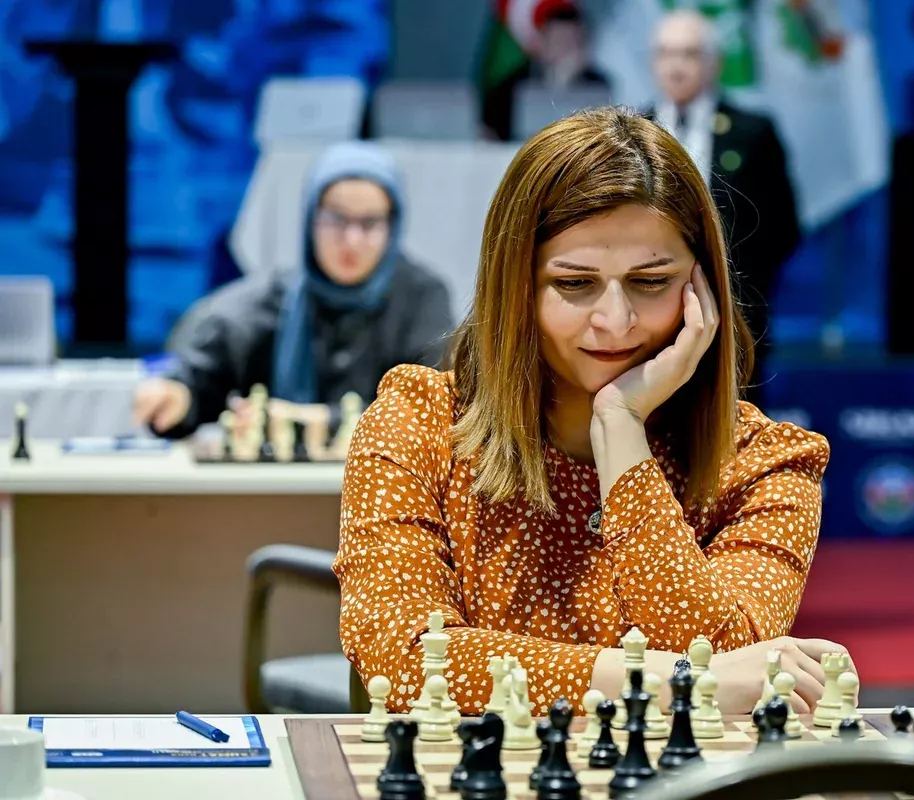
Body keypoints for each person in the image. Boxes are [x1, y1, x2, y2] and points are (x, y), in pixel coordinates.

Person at [334, 107, 848, 718]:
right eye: (575, 284)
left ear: (702, 287)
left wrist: (620, 426)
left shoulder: (765, 464)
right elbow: (405, 660)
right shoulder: (417, 422)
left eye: (651, 282)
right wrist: (672, 681)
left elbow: (723, 660)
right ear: (515, 287)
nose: (615, 321)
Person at [133, 141, 453, 439]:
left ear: (393, 226)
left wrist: (314, 422)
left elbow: (432, 408)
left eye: (369, 223)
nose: (351, 240)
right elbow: (200, 372)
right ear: (311, 218)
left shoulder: (422, 299)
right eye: (336, 219)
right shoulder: (272, 299)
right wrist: (178, 394)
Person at [645, 9, 803, 409]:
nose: (676, 66)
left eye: (689, 54)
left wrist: (741, 284)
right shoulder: (632, 129)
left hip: (735, 313)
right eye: (666, 53)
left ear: (714, 63)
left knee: (735, 422)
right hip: (646, 312)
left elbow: (783, 228)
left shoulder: (753, 132)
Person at [480, 2, 611, 141]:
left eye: (572, 41)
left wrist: (565, 82)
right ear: (541, 43)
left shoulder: (597, 84)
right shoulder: (511, 87)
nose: (565, 50)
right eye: (558, 40)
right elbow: (489, 134)